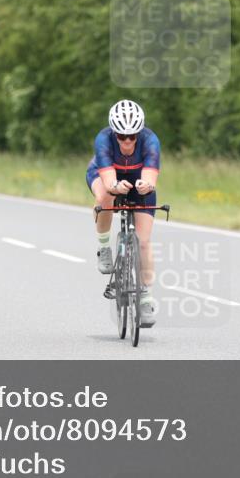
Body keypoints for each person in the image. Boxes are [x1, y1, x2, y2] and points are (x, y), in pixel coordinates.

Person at [86, 100, 160, 326]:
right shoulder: (103, 140)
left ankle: (146, 297)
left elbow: (150, 177)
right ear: (113, 132)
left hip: (137, 179)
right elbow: (109, 180)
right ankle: (104, 247)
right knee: (104, 198)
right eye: (121, 136)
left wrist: (146, 186)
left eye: (132, 136)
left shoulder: (150, 140)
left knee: (144, 242)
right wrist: (115, 187)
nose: (127, 142)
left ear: (140, 133)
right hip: (106, 177)